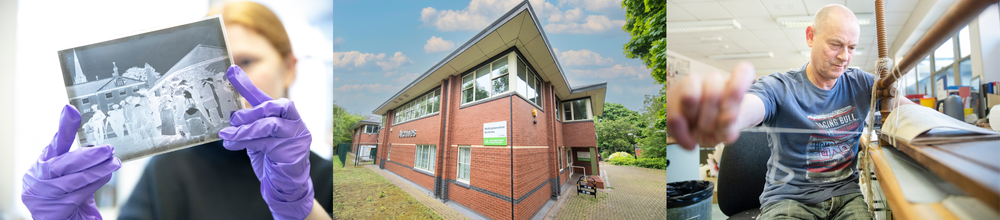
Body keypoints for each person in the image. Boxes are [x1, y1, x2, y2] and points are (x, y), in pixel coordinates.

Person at [20, 1, 333, 219]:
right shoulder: (166, 171)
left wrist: (301, 209)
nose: (229, 77)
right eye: (220, 63)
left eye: (246, 61)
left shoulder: (328, 178)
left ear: (290, 68)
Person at [666, 4, 918, 219]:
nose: (844, 56)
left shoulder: (862, 83)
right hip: (789, 199)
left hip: (846, 195)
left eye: (851, 48)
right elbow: (751, 105)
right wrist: (726, 114)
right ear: (811, 36)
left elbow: (911, 113)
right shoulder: (779, 86)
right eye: (835, 44)